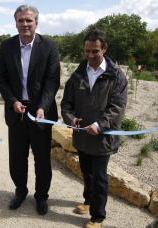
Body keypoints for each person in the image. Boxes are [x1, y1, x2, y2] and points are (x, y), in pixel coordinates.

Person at [0, 4, 60, 215]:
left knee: (42, 158)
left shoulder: (49, 46)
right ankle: (20, 192)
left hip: (41, 112)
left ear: (36, 23)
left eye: (28, 20)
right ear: (15, 23)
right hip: (16, 111)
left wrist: (43, 106)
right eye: (21, 20)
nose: (25, 24)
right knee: (17, 157)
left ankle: (41, 196)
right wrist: (12, 100)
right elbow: (1, 79)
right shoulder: (7, 46)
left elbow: (52, 81)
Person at [61, 29, 128, 228]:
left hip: (103, 137)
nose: (90, 56)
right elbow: (66, 103)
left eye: (95, 52)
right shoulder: (78, 74)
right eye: (87, 51)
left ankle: (97, 216)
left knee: (99, 177)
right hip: (82, 136)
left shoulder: (116, 76)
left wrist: (99, 125)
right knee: (86, 171)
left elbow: (118, 106)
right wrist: (70, 118)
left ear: (104, 49)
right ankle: (88, 200)